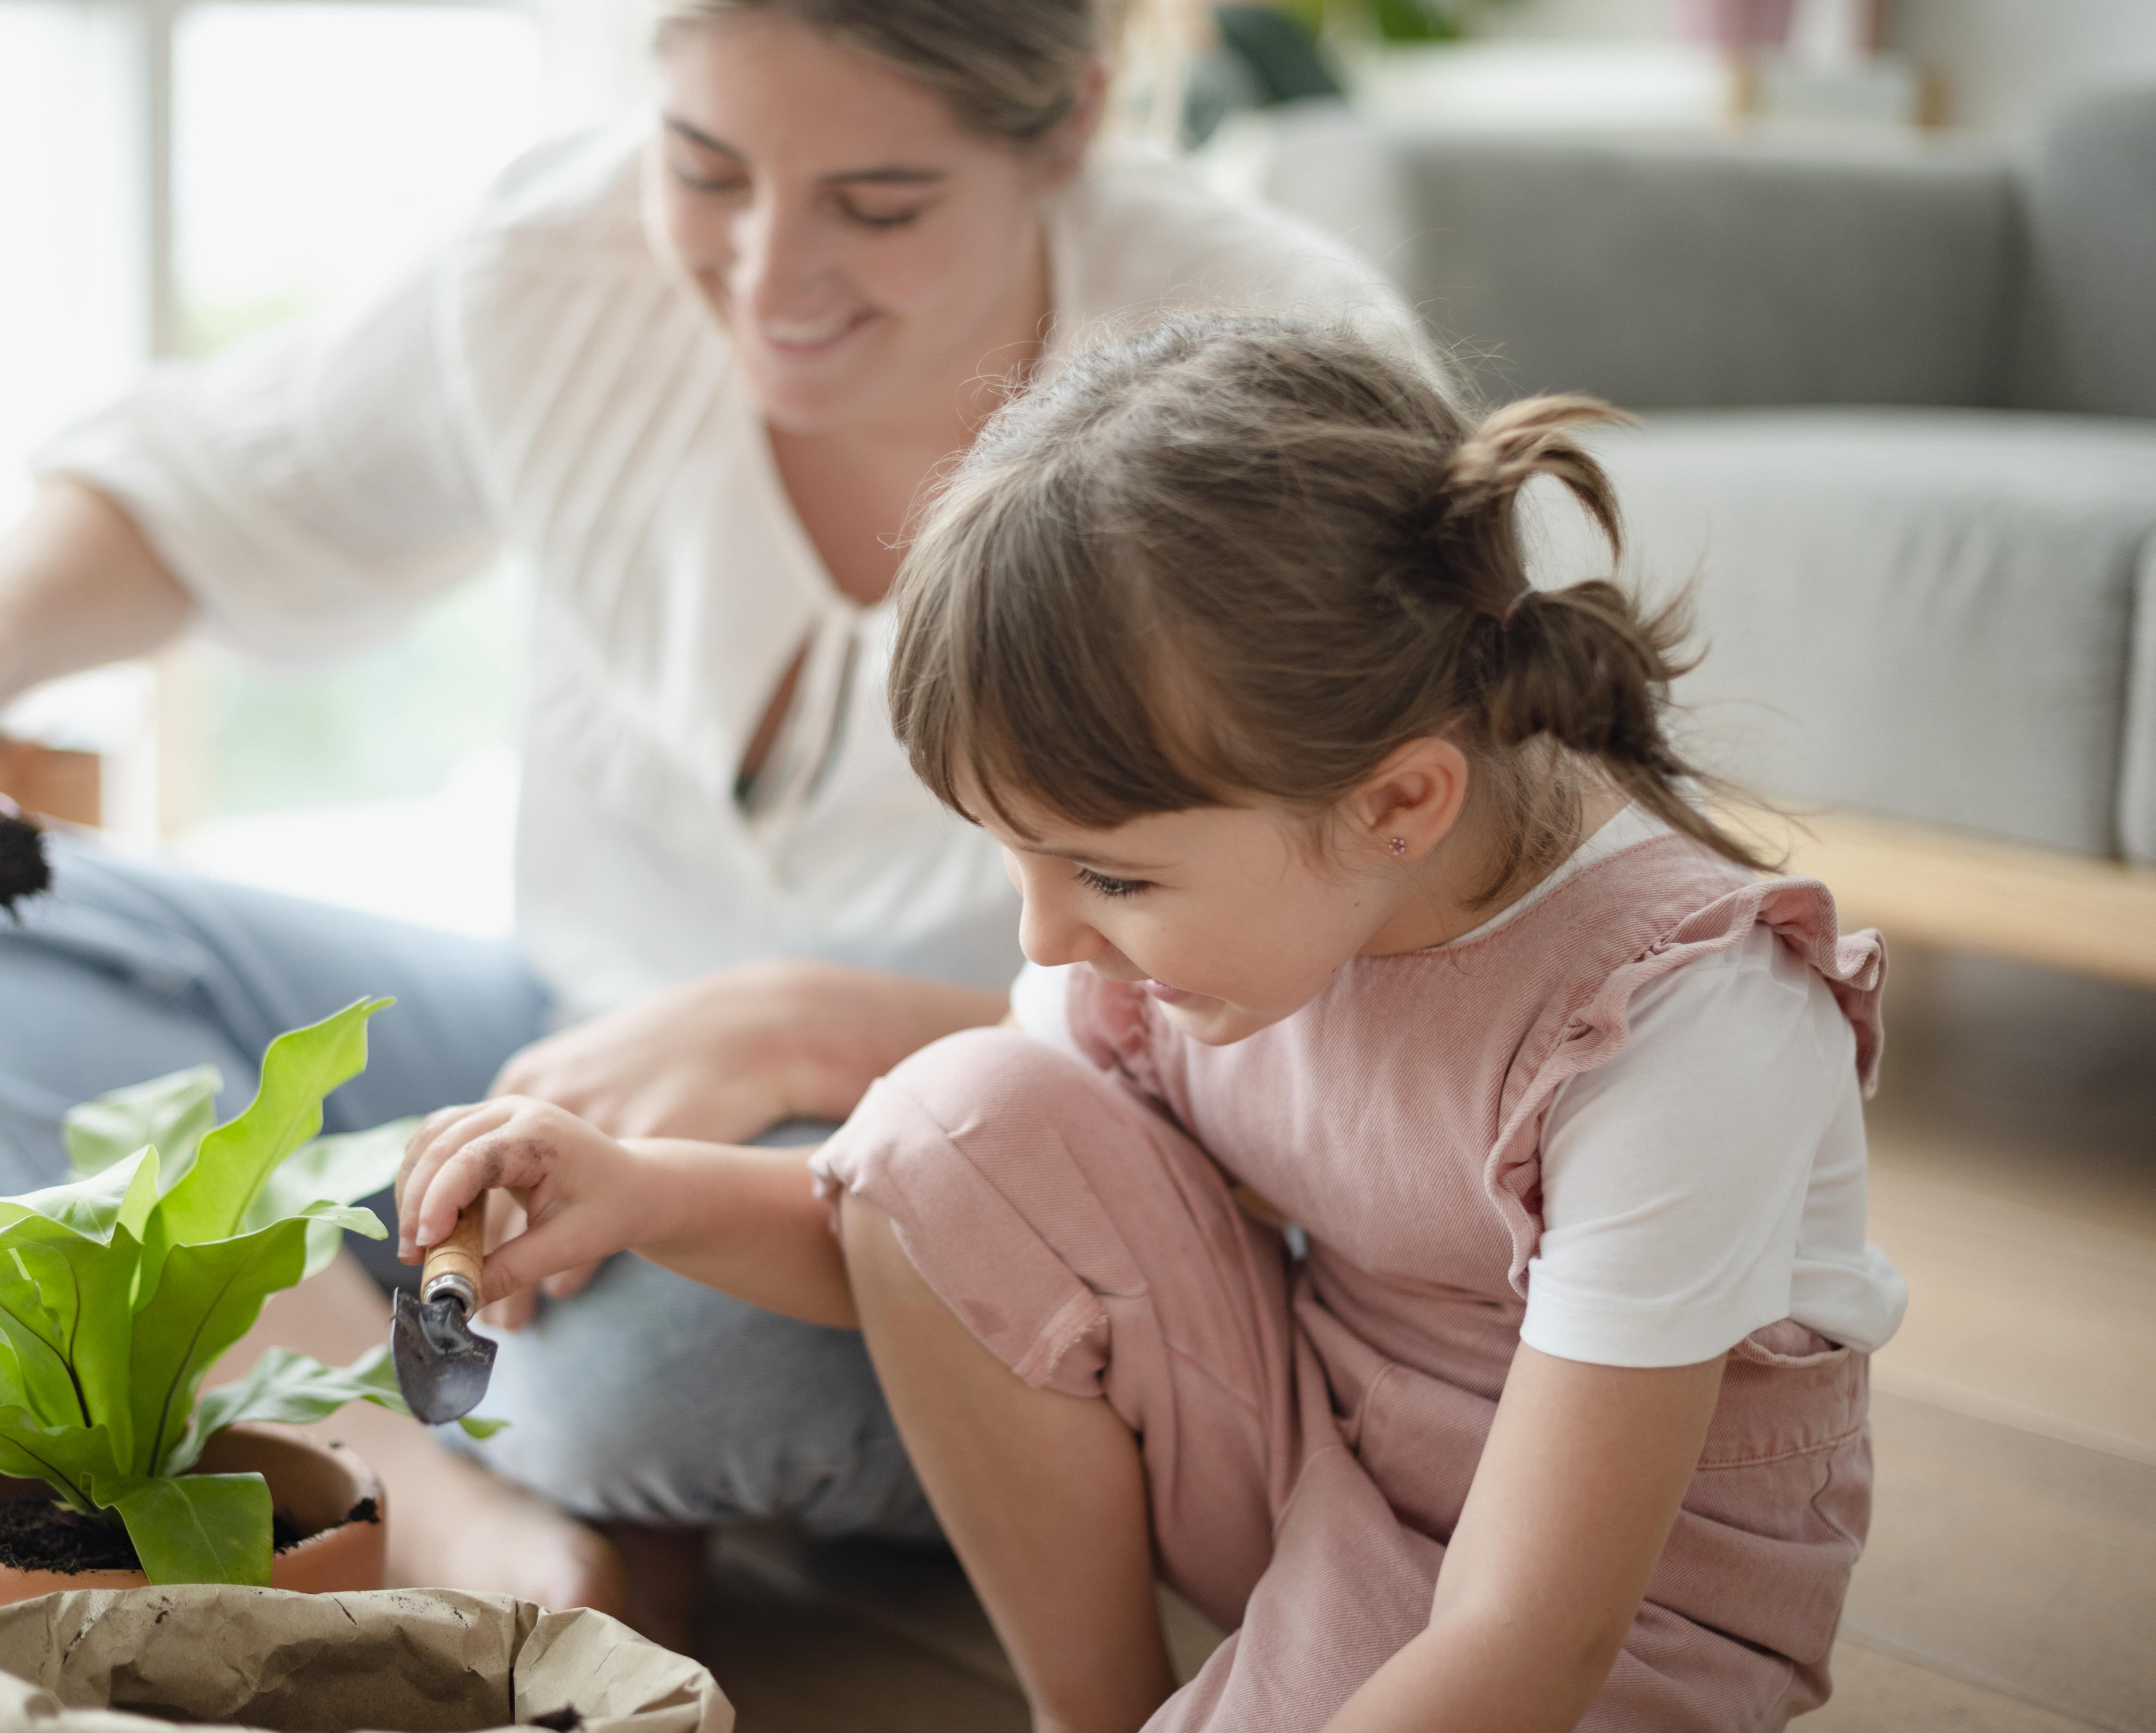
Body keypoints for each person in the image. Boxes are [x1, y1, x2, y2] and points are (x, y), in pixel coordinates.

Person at [0, 0, 1424, 1640]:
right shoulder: (560, 256)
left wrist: (813, 1027)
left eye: (880, 205)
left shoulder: (1269, 380)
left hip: (972, 1167)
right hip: (562, 1039)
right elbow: (227, 482)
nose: (768, 277)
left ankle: (531, 1431)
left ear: (1069, 122)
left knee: (677, 1366)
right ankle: (423, 1492)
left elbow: (1392, 1026)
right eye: (705, 170)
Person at [392, 315, 1910, 1730]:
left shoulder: (1679, 1030)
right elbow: (940, 1227)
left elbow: (1531, 1632)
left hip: (1605, 1629)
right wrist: (637, 1192)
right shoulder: (1222, 919)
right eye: (1016, 862)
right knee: (948, 1113)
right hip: (1326, 1455)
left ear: (1398, 801)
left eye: (1110, 876)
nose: (1048, 936)